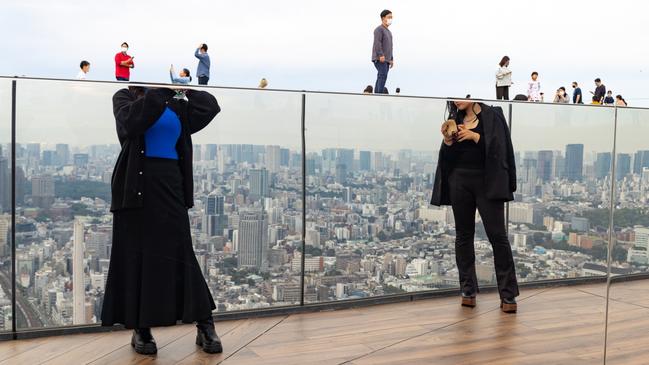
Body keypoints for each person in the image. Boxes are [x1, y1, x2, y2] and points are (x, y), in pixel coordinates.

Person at [101, 86, 223, 355]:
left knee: (182, 253)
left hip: (170, 183)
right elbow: (131, 124)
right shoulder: (125, 98)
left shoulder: (174, 102)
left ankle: (205, 324)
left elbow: (210, 107)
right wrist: (155, 92)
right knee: (136, 256)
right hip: (134, 186)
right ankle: (140, 329)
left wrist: (184, 90)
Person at [431, 100, 519, 314]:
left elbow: (501, 148)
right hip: (459, 181)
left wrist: (475, 136)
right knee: (463, 236)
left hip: (487, 181)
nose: (456, 101)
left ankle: (508, 295)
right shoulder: (455, 120)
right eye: (453, 98)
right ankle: (467, 291)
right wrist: (447, 141)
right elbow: (447, 159)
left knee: (497, 237)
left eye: (460, 96)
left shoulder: (493, 115)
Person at [372, 9, 393, 94]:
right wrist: (380, 55)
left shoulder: (389, 32)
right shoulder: (379, 29)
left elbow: (390, 46)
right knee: (382, 75)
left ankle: (377, 94)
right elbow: (377, 43)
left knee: (382, 76)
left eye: (391, 17)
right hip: (380, 58)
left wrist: (391, 58)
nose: (390, 19)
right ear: (383, 18)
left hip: (387, 59)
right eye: (389, 17)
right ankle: (378, 95)